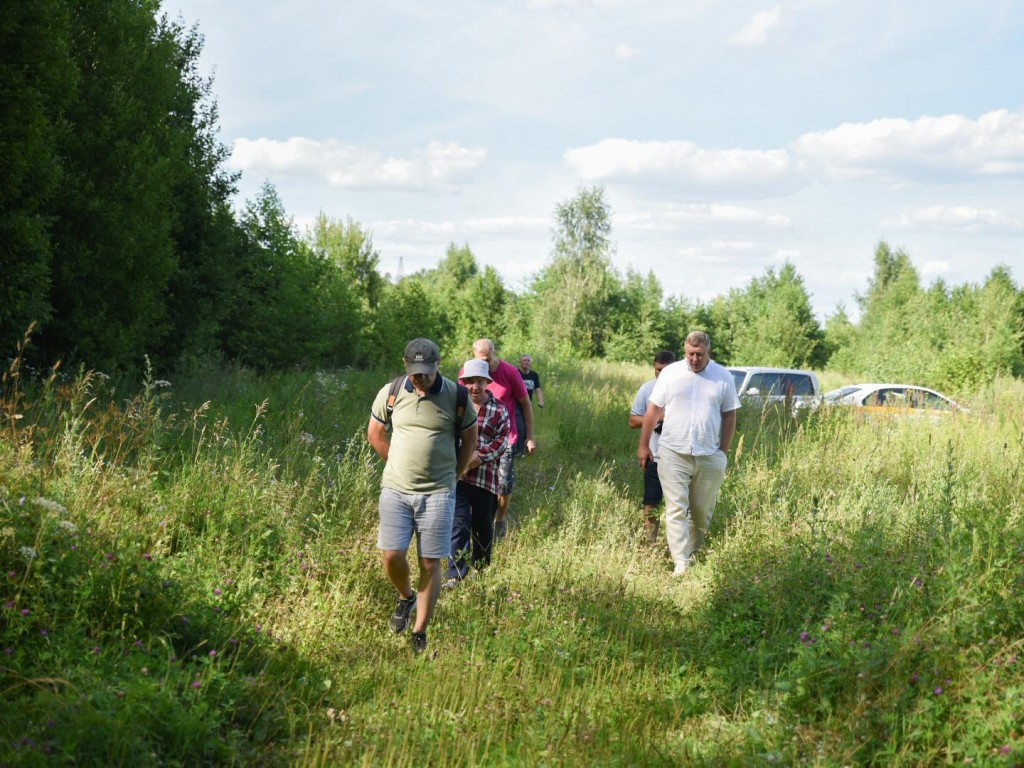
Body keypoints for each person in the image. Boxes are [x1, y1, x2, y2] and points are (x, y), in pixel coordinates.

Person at [367, 338, 478, 655]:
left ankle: (419, 632)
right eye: (415, 372)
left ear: (437, 365)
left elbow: (470, 439)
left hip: (438, 493)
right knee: (391, 555)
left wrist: (454, 476)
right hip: (396, 490)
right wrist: (397, 462)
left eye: (426, 372)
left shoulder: (457, 396)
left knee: (430, 562)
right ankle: (406, 597)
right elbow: (375, 434)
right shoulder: (391, 392)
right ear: (405, 366)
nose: (421, 378)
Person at [637, 332, 739, 576]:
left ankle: (693, 553)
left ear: (708, 353)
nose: (694, 359)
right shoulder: (671, 374)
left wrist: (723, 453)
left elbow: (730, 415)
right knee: (675, 508)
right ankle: (680, 562)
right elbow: (653, 409)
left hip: (709, 454)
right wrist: (644, 445)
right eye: (690, 354)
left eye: (699, 354)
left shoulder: (723, 377)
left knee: (701, 511)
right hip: (672, 452)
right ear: (685, 351)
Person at [444, 358, 511, 587]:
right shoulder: (456, 406)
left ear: (487, 382)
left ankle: (481, 571)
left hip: (486, 479)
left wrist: (475, 458)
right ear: (463, 382)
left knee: (482, 527)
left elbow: (502, 443)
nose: (475, 386)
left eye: (479, 381)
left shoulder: (498, 410)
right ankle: (455, 575)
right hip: (458, 478)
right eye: (470, 381)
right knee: (458, 524)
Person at [472, 338, 535, 539]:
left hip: (507, 437)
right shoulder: (469, 373)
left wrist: (529, 437)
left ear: (494, 354)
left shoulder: (509, 372)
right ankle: (479, 520)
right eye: (480, 360)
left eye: (488, 359)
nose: (485, 364)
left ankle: (499, 520)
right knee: (476, 482)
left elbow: (525, 403)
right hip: (476, 436)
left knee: (504, 483)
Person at [629, 350, 676, 544]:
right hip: (654, 454)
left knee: (680, 505)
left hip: (679, 454)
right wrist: (657, 417)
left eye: (665, 370)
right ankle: (651, 545)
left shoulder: (684, 388)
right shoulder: (647, 389)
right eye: (657, 370)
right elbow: (632, 420)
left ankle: (679, 547)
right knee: (651, 502)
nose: (660, 375)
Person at [514, 355, 544, 458]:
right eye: (524, 360)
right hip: (516, 405)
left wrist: (541, 401)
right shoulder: (516, 373)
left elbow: (538, 389)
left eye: (528, 360)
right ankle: (518, 452)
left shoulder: (534, 375)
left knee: (528, 428)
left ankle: (526, 451)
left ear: (530, 362)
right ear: (520, 362)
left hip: (528, 406)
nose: (526, 362)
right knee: (520, 428)